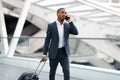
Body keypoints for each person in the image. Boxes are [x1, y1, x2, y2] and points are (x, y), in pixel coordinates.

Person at [41, 8, 79, 80]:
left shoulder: (67, 26)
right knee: (52, 72)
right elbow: (47, 41)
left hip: (64, 53)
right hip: (54, 53)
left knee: (67, 71)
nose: (64, 14)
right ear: (57, 14)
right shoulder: (51, 26)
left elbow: (76, 32)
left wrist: (70, 21)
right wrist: (44, 54)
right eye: (62, 12)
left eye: (65, 13)